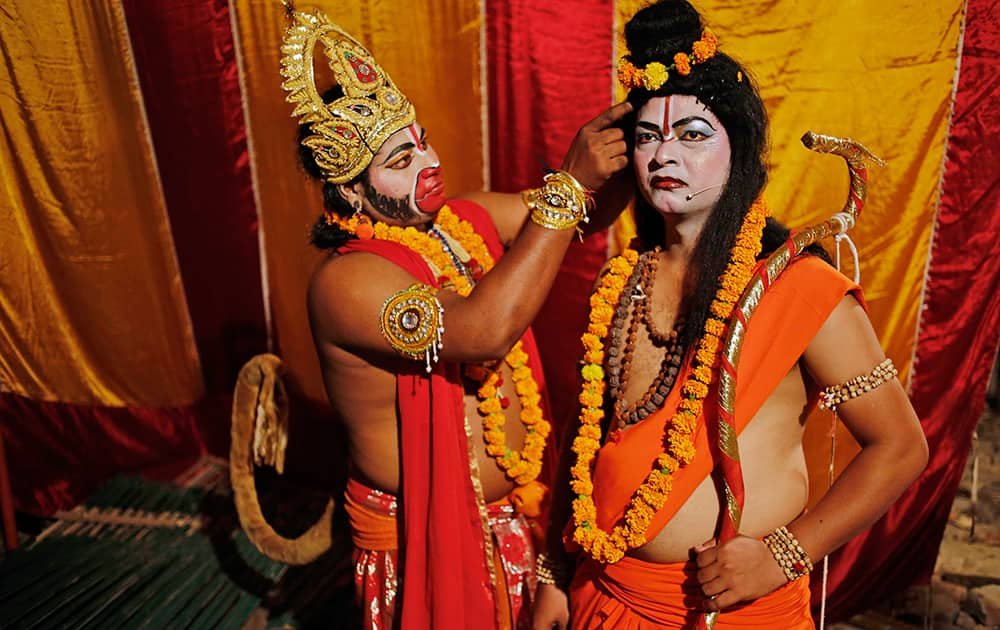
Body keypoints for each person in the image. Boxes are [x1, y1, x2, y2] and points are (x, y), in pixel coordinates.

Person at [533, 2, 928, 628]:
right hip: (603, 595)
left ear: (738, 151)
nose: (665, 155)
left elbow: (901, 447)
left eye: (691, 135)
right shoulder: (622, 281)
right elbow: (594, 440)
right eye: (647, 137)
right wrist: (557, 571)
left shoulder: (798, 288)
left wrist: (784, 554)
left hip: (729, 613)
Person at [279, 7, 631, 630]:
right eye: (398, 160)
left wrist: (635, 141)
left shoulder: (462, 222)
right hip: (423, 542)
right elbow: (480, 332)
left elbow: (578, 218)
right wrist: (569, 182)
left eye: (419, 141)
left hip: (520, 514)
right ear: (351, 193)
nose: (426, 161)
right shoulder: (347, 282)